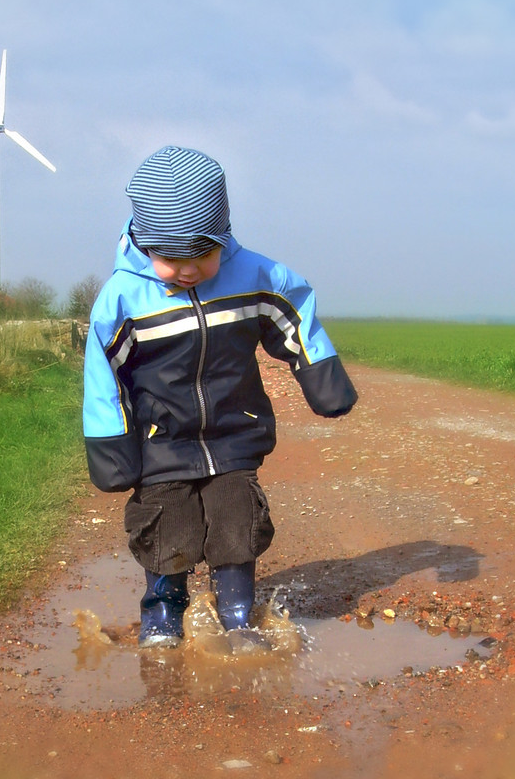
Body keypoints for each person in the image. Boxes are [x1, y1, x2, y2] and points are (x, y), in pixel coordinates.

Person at [83, 145, 357, 648]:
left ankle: (236, 613)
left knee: (237, 523)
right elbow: (104, 374)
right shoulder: (122, 297)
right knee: (170, 532)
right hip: (160, 444)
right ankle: (163, 616)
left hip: (234, 434)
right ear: (144, 244)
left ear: (223, 235)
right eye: (170, 259)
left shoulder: (252, 275)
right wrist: (110, 445)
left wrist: (319, 372)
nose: (187, 272)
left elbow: (293, 310)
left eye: (201, 255)